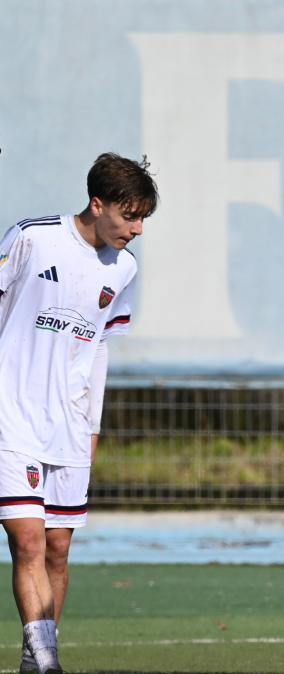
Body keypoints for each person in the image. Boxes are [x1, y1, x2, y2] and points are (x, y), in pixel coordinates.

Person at [0, 153, 154, 674]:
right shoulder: (31, 237)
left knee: (57, 549)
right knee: (27, 540)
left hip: (69, 423)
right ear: (98, 203)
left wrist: (93, 423)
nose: (134, 230)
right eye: (128, 216)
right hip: (12, 413)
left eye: (141, 220)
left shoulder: (124, 267)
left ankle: (37, 657)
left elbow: (100, 350)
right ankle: (46, 665)